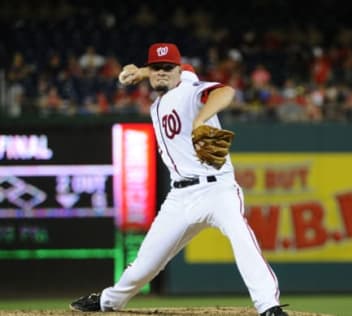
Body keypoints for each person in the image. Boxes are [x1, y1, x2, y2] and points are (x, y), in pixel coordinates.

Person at [69, 42, 288, 316]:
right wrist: (140, 72)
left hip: (217, 189)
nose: (162, 72)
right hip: (179, 197)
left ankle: (268, 306)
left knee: (241, 238)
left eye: (168, 68)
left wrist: (201, 120)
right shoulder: (157, 103)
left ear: (178, 70)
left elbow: (225, 91)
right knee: (145, 265)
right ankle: (109, 301)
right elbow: (164, 72)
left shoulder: (189, 90)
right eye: (156, 67)